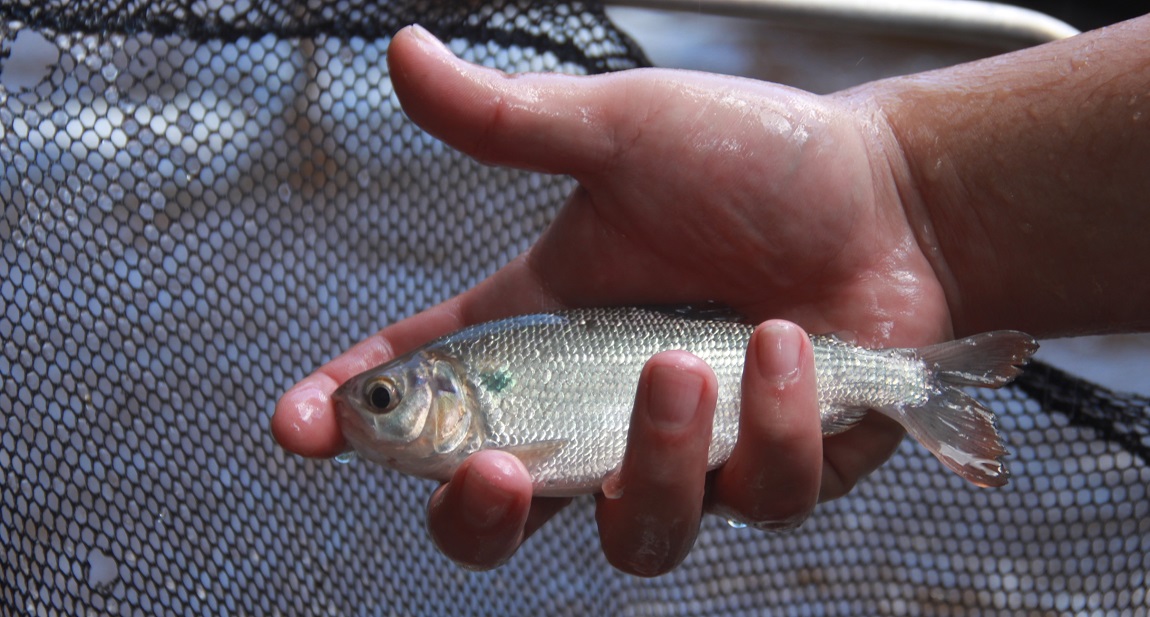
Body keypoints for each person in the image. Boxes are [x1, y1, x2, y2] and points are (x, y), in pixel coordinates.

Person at [272, 15, 1150, 576]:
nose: (372, 409)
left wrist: (908, 193)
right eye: (380, 399)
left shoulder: (483, 395)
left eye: (384, 396)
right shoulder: (484, 394)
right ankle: (916, 379)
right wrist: (912, 194)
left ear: (447, 395)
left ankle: (917, 381)